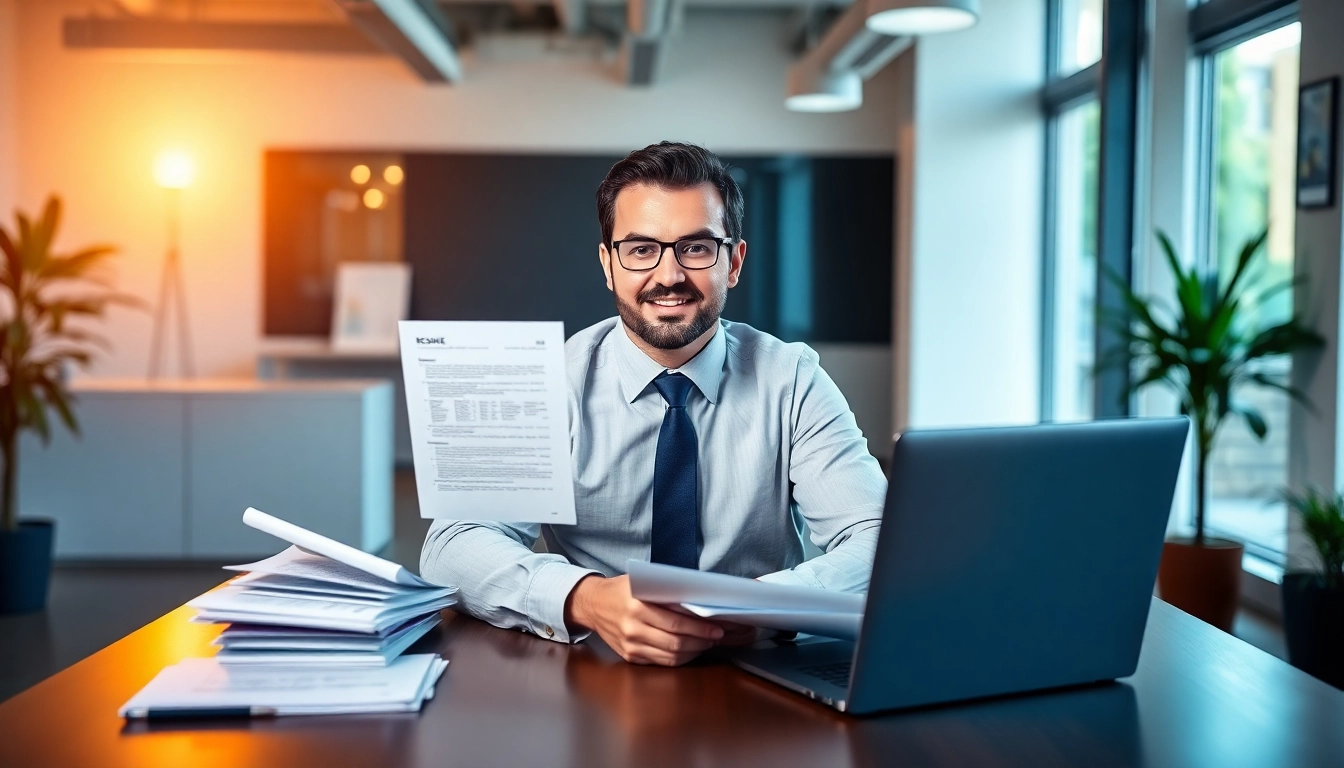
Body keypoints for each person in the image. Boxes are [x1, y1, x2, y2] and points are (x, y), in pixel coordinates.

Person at [421, 141, 886, 666]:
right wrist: (587, 599)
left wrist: (760, 608)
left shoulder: (793, 380)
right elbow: (454, 545)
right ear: (609, 265)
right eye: (642, 249)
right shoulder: (548, 383)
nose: (668, 276)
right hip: (593, 667)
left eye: (696, 248)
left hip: (760, 666)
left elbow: (878, 539)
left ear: (733, 262)